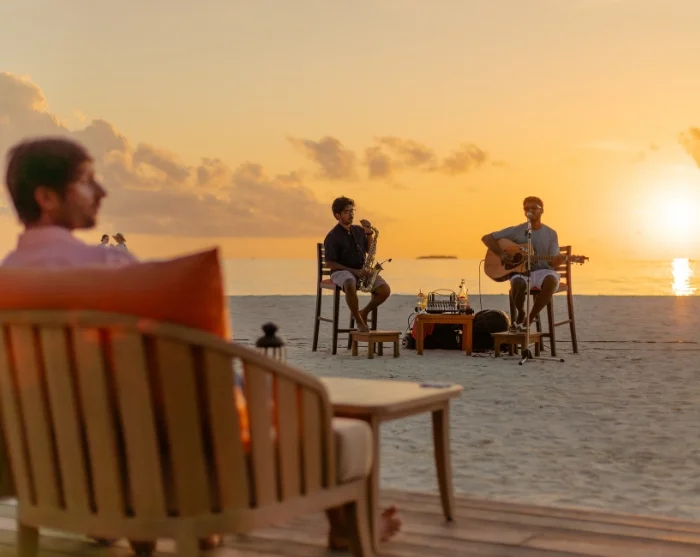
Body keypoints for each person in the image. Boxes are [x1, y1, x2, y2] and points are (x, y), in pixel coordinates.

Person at [2, 137, 400, 553]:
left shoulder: (8, 281)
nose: (101, 192)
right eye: (86, 181)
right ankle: (349, 527)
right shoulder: (109, 267)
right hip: (163, 447)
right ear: (46, 197)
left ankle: (115, 515)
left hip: (61, 460)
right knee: (306, 407)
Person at [481, 196, 563, 331]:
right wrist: (501, 254)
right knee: (516, 283)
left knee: (552, 280)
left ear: (542, 210)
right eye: (526, 208)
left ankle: (529, 318)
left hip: (544, 272)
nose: (530, 210)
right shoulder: (517, 230)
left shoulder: (551, 233)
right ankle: (521, 312)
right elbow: (487, 238)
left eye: (534, 208)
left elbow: (552, 263)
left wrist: (558, 261)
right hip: (521, 271)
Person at [323, 196, 391, 332]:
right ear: (337, 215)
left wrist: (369, 233)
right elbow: (329, 263)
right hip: (340, 272)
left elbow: (369, 250)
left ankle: (363, 312)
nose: (351, 215)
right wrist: (353, 271)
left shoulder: (358, 230)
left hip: (361, 270)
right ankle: (359, 322)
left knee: (385, 290)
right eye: (346, 212)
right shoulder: (332, 236)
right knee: (349, 283)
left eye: (352, 211)